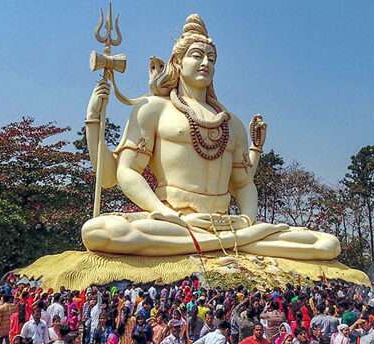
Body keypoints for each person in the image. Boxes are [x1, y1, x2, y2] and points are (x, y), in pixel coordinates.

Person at [81, 12, 341, 261]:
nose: (206, 63)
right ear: (178, 62)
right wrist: (93, 119)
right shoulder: (152, 109)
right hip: (175, 222)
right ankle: (238, 243)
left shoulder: (233, 124)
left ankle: (230, 240)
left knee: (328, 244)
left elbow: (242, 184)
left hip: (228, 224)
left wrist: (248, 220)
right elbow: (120, 174)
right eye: (197, 56)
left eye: (212, 58)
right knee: (99, 232)